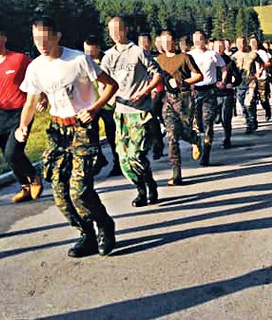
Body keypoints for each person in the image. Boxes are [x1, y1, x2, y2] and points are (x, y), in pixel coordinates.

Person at [15, 16, 118, 258]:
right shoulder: (35, 67)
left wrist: (94, 108)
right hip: (58, 131)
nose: (41, 45)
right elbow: (30, 102)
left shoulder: (78, 60)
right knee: (60, 194)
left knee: (79, 190)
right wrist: (22, 127)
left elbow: (111, 85)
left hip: (83, 128)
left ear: (57, 36)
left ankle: (104, 226)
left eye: (45, 39)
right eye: (36, 40)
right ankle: (86, 235)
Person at [101, 18, 163, 207]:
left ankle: (148, 185)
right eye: (111, 30)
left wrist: (144, 91)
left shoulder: (137, 52)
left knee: (136, 154)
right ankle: (140, 187)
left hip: (139, 112)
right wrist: (108, 97)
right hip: (120, 113)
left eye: (118, 29)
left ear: (126, 30)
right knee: (123, 159)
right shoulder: (108, 56)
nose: (115, 33)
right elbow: (103, 82)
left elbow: (158, 73)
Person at [0, 25, 42, 203]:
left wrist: (43, 97)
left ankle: (33, 177)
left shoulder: (19, 59)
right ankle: (25, 186)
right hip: (3, 112)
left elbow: (38, 76)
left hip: (22, 110)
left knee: (13, 152)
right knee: (5, 152)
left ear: (4, 39)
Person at [156, 30, 202, 185]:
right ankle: (176, 173)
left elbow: (198, 75)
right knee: (172, 136)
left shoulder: (184, 57)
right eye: (163, 42)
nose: (166, 44)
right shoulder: (159, 59)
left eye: (169, 41)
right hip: (167, 99)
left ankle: (194, 138)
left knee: (183, 131)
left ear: (175, 41)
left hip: (184, 98)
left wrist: (183, 82)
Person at [83, 35, 121, 177]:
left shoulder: (108, 60)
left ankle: (118, 163)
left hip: (107, 104)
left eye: (91, 51)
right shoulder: (83, 61)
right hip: (90, 104)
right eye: (86, 51)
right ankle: (99, 158)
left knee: (112, 135)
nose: (88, 54)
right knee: (90, 134)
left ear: (98, 48)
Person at [188, 30, 226, 166]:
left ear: (205, 40)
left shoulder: (212, 54)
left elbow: (224, 68)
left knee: (208, 122)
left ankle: (206, 153)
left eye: (200, 39)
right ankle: (196, 142)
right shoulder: (189, 55)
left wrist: (223, 81)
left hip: (209, 91)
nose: (198, 41)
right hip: (194, 91)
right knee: (195, 122)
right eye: (195, 39)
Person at [139, 33, 165, 160]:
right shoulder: (136, 57)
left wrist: (155, 89)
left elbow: (159, 76)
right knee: (149, 121)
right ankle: (152, 145)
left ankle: (158, 145)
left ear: (150, 43)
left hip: (156, 92)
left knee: (155, 119)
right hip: (142, 93)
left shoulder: (156, 58)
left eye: (145, 42)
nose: (143, 45)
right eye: (140, 42)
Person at [231, 36, 263, 135]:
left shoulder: (252, 54)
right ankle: (248, 122)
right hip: (239, 84)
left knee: (249, 103)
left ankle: (252, 121)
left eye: (243, 43)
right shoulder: (234, 57)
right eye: (239, 43)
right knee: (242, 105)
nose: (241, 45)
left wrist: (259, 72)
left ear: (246, 43)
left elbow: (262, 64)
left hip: (251, 82)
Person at [214, 40, 240, 148]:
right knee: (216, 119)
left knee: (226, 118)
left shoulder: (229, 62)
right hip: (213, 94)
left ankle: (227, 139)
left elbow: (238, 78)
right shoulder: (210, 60)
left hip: (226, 94)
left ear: (225, 48)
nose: (219, 49)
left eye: (221, 47)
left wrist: (232, 84)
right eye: (217, 47)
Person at [250, 37, 272, 121]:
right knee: (252, 98)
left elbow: (268, 63)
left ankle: (267, 110)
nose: (253, 44)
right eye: (251, 42)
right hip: (251, 79)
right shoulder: (249, 52)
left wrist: (260, 70)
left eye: (254, 42)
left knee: (263, 98)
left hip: (262, 78)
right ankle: (253, 118)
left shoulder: (261, 52)